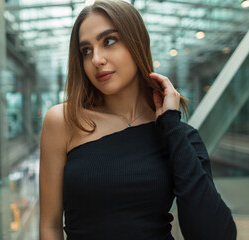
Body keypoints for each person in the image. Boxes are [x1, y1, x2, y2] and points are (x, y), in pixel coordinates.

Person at [39, 0, 237, 239]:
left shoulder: (179, 135)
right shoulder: (63, 121)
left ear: (137, 43)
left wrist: (171, 126)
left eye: (109, 41)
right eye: (86, 50)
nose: (96, 59)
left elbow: (215, 235)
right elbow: (49, 227)